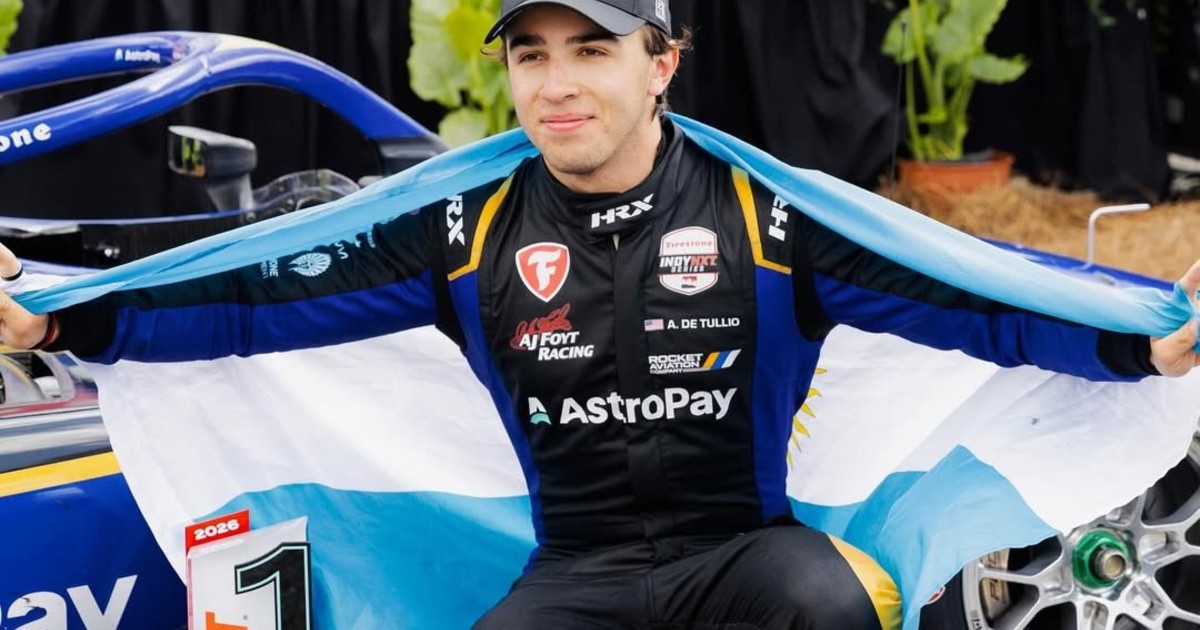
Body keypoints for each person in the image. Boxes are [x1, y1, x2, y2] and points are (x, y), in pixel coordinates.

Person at [1, 0, 1198, 627]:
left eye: (590, 49)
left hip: (748, 554)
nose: (557, 83)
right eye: (530, 56)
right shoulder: (461, 225)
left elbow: (969, 305)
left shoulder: (767, 214)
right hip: (575, 569)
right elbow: (257, 302)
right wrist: (63, 324)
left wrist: (1139, 343)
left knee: (824, 602)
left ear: (661, 65)